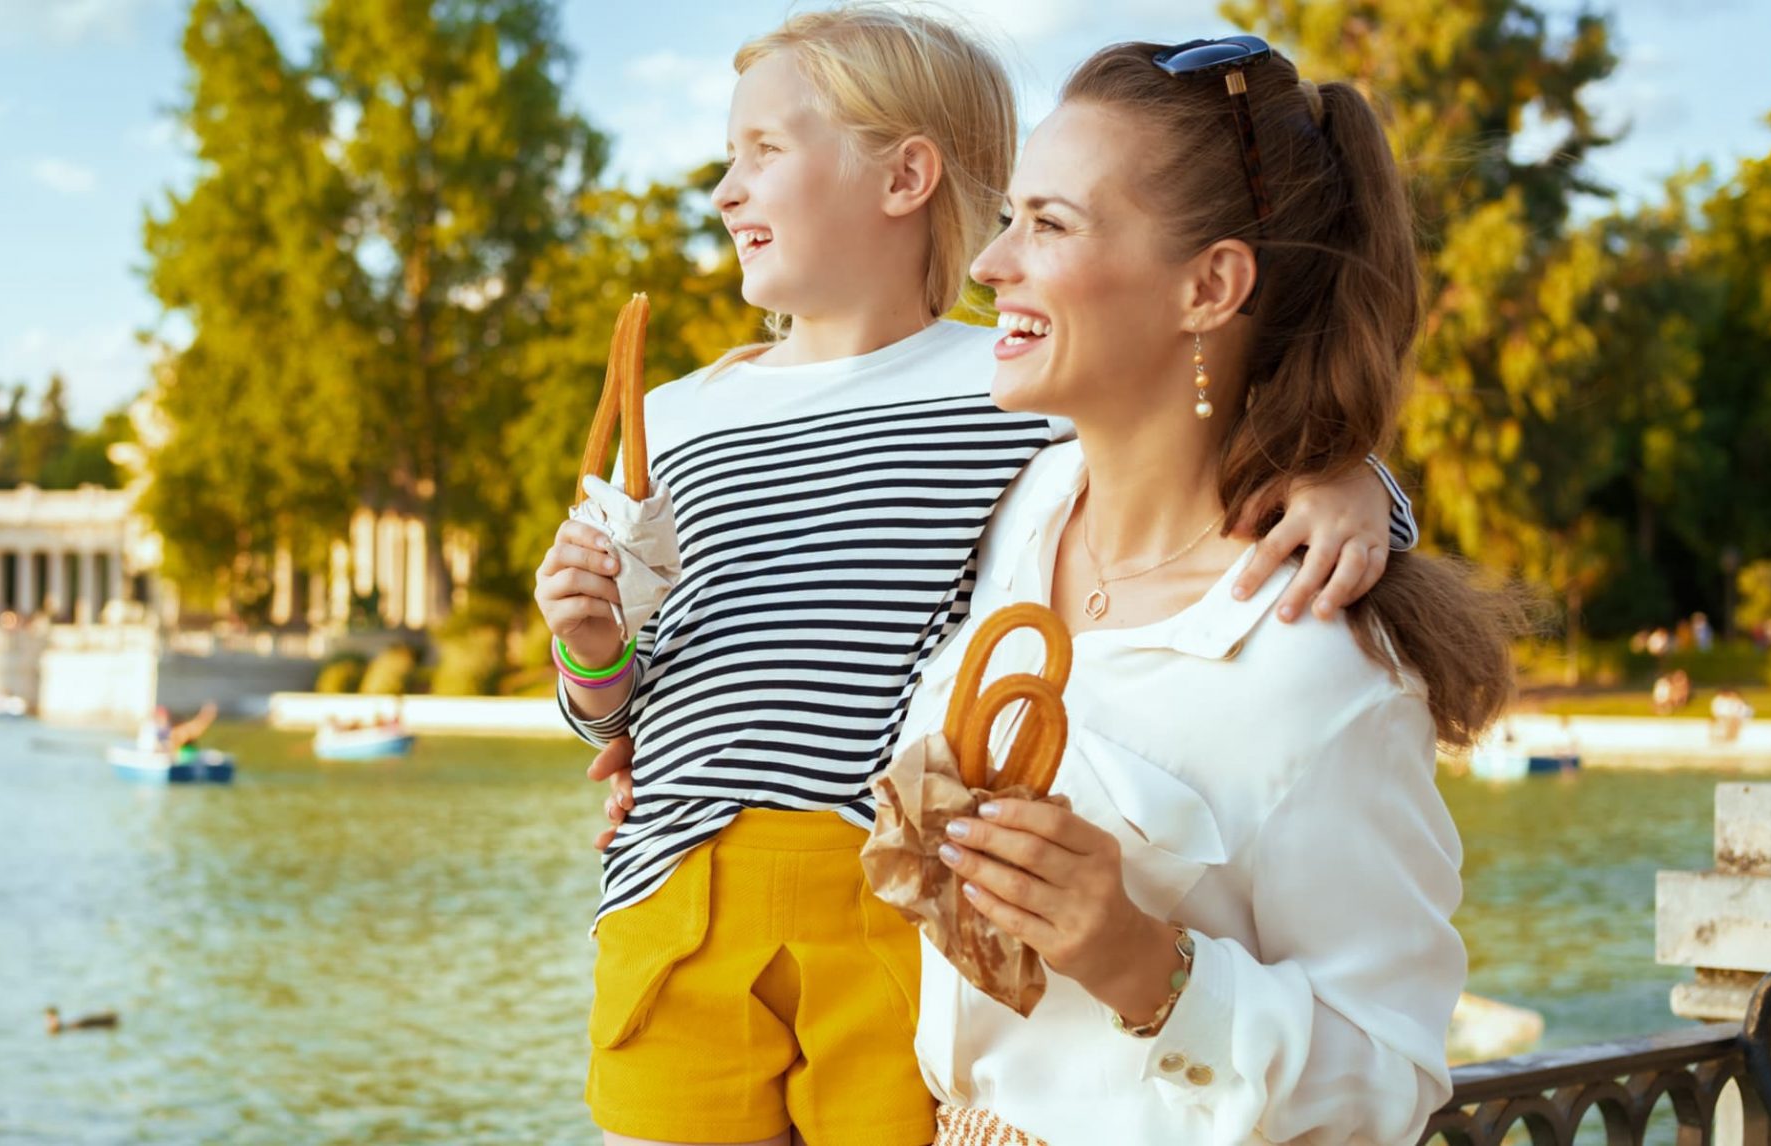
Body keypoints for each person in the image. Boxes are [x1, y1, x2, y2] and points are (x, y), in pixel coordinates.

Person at [532, 10, 1419, 1145]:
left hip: (891, 901)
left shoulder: (1007, 393)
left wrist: (1356, 486)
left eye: (763, 150)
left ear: (906, 174)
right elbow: (621, 699)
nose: (725, 189)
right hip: (678, 892)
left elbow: (1207, 437)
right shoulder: (674, 421)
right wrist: (592, 655)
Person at [891, 36, 1519, 1143]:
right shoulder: (1015, 513)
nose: (991, 267)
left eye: (1050, 224)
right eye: (1007, 218)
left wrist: (1148, 966)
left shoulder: (1316, 673)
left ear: (1210, 285)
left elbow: (1391, 1085)